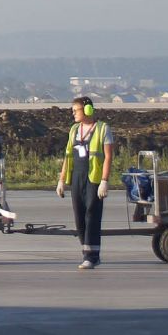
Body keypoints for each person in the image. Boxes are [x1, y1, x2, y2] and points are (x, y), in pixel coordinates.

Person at [55, 96, 112, 269]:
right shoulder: (74, 130)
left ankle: (91, 256)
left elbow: (108, 156)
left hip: (93, 178)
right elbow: (67, 156)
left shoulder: (102, 129)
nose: (73, 113)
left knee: (91, 215)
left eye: (76, 110)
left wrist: (104, 181)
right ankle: (88, 252)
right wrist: (62, 180)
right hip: (77, 177)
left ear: (87, 110)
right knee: (79, 217)